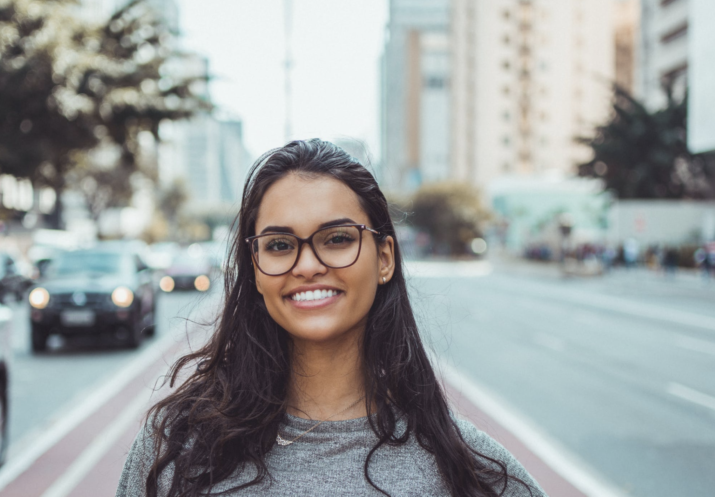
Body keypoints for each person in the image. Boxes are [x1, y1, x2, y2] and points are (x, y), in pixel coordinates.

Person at [117, 140, 545, 497]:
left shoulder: (470, 472)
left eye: (337, 238)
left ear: (384, 258)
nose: (306, 265)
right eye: (280, 245)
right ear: (255, 267)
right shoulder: (174, 450)